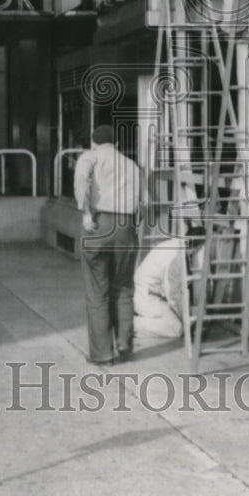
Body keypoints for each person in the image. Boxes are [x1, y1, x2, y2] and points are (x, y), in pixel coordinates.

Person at [73, 124, 141, 366]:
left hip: (99, 224)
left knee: (97, 291)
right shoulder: (132, 164)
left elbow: (82, 177)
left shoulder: (90, 157)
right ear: (117, 145)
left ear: (94, 142)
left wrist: (85, 214)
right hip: (126, 227)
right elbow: (144, 199)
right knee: (123, 287)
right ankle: (124, 344)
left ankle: (103, 354)